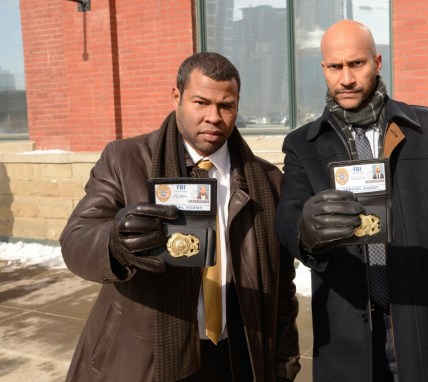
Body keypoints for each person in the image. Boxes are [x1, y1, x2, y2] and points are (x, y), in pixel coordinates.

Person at [275, 20, 428, 382]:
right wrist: (304, 229)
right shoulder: (302, 145)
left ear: (377, 62)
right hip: (347, 341)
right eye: (336, 67)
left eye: (357, 64)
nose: (346, 78)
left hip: (423, 329)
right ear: (324, 69)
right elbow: (287, 218)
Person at [59, 52, 300, 382]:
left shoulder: (267, 180)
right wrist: (114, 242)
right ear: (177, 97)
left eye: (226, 106)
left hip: (236, 356)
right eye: (201, 102)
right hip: (149, 358)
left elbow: (282, 287)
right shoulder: (125, 159)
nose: (213, 117)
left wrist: (283, 363)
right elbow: (76, 239)